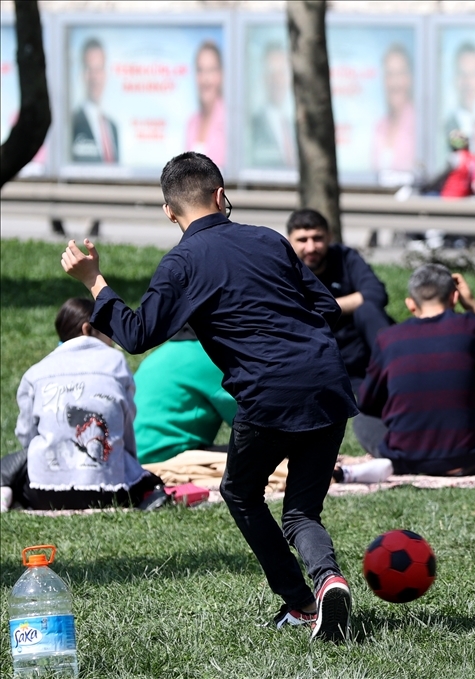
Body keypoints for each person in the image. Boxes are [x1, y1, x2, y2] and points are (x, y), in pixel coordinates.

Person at [59, 152, 359, 643]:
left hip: (267, 393)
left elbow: (136, 334)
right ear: (222, 197)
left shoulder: (182, 262)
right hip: (328, 383)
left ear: (169, 212)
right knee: (302, 510)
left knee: (241, 492)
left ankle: (303, 604)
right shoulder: (268, 239)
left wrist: (95, 280)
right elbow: (325, 307)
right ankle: (329, 581)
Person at [358, 264, 475, 475]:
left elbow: (366, 403)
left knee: (361, 419)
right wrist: (474, 308)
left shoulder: (388, 338)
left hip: (403, 460)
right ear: (454, 298)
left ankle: (396, 456)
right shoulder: (469, 327)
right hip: (466, 459)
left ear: (411, 304)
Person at [0, 299, 167, 512]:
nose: (114, 339)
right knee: (147, 480)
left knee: (16, 462)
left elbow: (26, 435)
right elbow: (124, 423)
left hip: (42, 493)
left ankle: (6, 490)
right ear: (87, 329)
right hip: (110, 491)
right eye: (109, 331)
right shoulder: (115, 361)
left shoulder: (35, 372)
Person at [285, 208, 393, 454]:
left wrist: (324, 308)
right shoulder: (284, 268)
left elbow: (376, 295)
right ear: (290, 240)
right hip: (317, 361)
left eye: (317, 238)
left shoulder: (345, 257)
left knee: (369, 311)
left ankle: (397, 370)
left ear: (329, 236)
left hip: (362, 356)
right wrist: (351, 302)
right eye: (302, 240)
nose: (311, 247)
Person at [133, 324, 237, 465]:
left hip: (133, 456)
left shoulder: (159, 355)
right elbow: (254, 421)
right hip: (168, 457)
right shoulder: (211, 356)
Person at [70, 38, 119, 164]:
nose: (95, 78)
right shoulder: (72, 123)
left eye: (99, 69)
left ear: (105, 73)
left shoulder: (113, 127)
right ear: (81, 73)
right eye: (89, 69)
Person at [442, 41, 475, 154]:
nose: (468, 83)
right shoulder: (445, 130)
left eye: (474, 74)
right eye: (463, 74)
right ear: (454, 78)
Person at [250, 42, 296, 169]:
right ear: (264, 77)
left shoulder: (296, 123)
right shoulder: (253, 125)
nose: (277, 80)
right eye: (272, 73)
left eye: (281, 72)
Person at [372, 43, 416, 174]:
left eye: (400, 73)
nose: (394, 82)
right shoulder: (380, 126)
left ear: (410, 78)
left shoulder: (419, 124)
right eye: (389, 74)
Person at [185, 41, 226, 168]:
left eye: (211, 70)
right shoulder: (191, 123)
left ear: (221, 74)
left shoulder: (230, 122)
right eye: (200, 70)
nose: (205, 78)